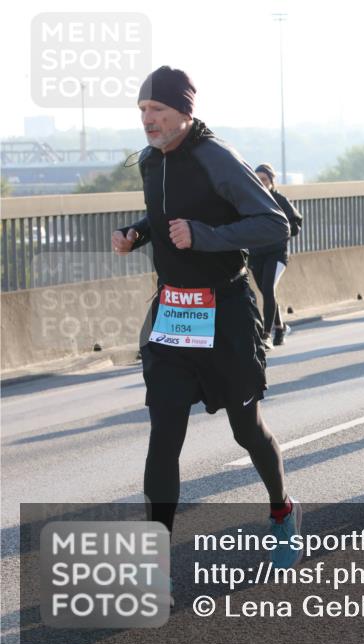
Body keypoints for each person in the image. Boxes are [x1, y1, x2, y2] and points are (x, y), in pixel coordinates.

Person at [111, 66, 301, 570]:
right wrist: (139, 232)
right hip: (174, 313)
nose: (148, 121)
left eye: (158, 111)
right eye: (143, 111)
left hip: (227, 313)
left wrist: (203, 236)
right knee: (164, 434)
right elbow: (167, 214)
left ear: (185, 113)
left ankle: (282, 512)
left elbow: (271, 224)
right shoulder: (152, 161)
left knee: (247, 428)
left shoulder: (216, 157)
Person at [250, 163, 302, 347]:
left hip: (276, 254)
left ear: (272, 181)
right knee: (266, 291)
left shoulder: (280, 200)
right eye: (257, 179)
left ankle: (266, 334)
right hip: (256, 254)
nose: (261, 183)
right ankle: (280, 328)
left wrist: (281, 231)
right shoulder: (250, 200)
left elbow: (295, 226)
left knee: (268, 288)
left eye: (264, 179)